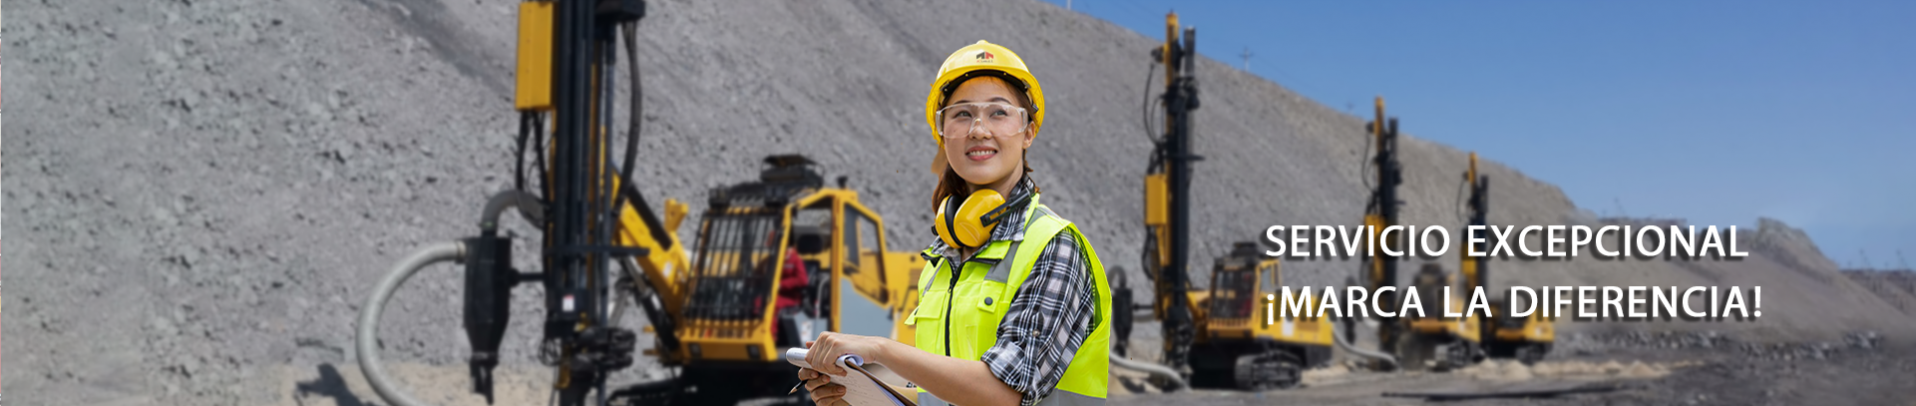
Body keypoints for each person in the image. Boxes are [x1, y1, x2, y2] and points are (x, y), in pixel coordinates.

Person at [797, 40, 1112, 406]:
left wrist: (880, 349)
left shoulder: (1054, 246)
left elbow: (1004, 393)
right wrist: (857, 397)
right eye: (962, 114)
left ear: (1028, 132)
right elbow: (943, 396)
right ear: (942, 133)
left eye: (998, 112)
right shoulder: (943, 259)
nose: (978, 130)